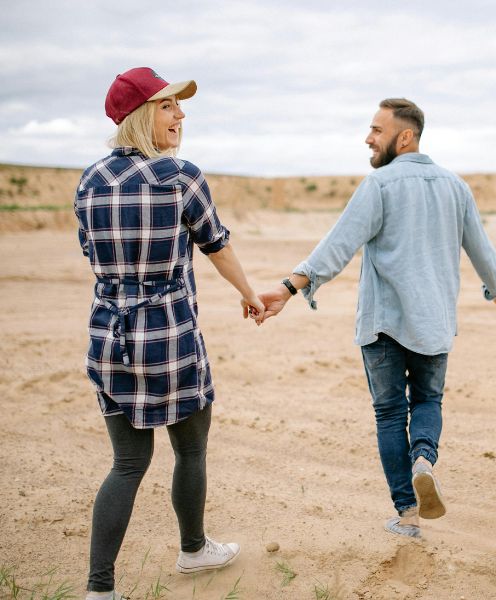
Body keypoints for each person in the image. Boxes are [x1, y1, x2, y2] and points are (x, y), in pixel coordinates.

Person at [257, 98, 496, 538]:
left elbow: (338, 245)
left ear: (405, 136)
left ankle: (407, 515)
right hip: (433, 321)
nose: (368, 138)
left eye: (377, 130)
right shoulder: (455, 187)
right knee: (429, 402)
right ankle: (424, 460)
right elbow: (481, 247)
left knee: (391, 414)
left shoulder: (379, 186)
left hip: (383, 323)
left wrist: (286, 288)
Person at [75, 67, 266, 600]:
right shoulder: (180, 177)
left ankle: (99, 589)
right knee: (191, 450)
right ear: (141, 116)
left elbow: (92, 252)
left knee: (128, 462)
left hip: (109, 333)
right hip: (170, 333)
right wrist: (249, 294)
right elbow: (216, 245)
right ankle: (193, 549)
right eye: (168, 106)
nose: (180, 115)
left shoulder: (89, 180)